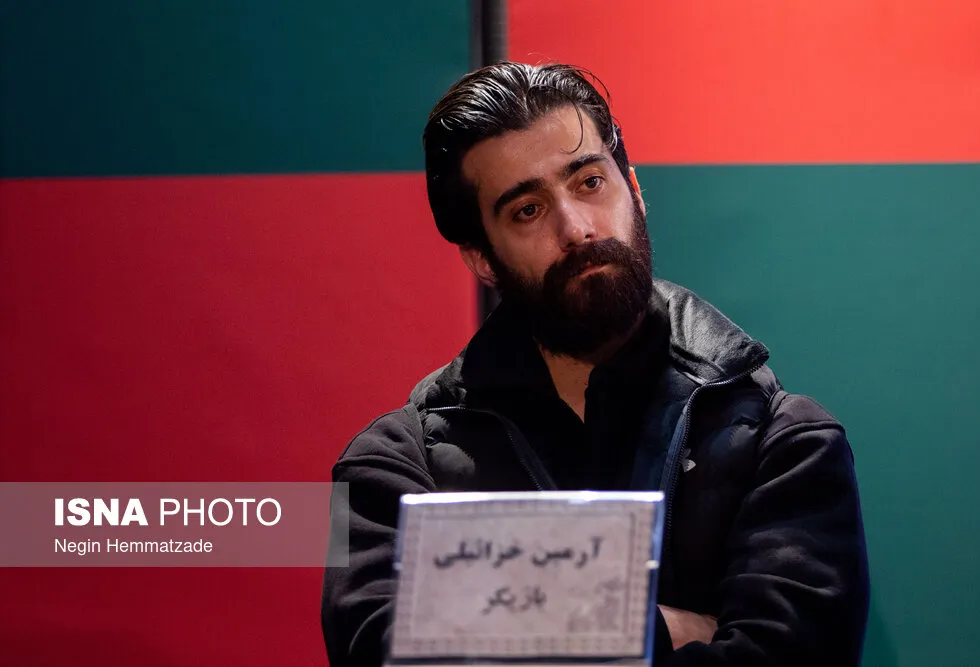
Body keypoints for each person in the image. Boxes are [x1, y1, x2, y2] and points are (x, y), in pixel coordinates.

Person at [321, 61, 869, 666]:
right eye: (527, 210)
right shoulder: (393, 473)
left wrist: (497, 628)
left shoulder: (786, 445)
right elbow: (385, 650)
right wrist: (660, 629)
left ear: (633, 188)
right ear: (481, 258)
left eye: (589, 183)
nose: (576, 228)